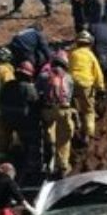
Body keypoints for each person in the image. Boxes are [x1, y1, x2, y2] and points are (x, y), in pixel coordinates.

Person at [0, 61, 45, 183]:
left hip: (7, 123)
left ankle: (7, 164)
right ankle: (33, 170)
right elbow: (36, 105)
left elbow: (0, 101)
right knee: (34, 144)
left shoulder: (7, 85)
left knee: (8, 147)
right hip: (25, 124)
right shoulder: (28, 88)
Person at [38, 50, 78, 179]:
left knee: (47, 132)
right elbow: (70, 96)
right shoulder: (69, 78)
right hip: (63, 111)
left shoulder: (43, 76)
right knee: (64, 140)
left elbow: (37, 92)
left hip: (47, 110)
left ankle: (50, 146)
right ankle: (63, 167)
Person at [69, 30, 105, 147]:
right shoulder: (91, 56)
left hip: (71, 84)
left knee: (72, 107)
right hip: (85, 85)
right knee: (88, 111)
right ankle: (87, 135)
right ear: (90, 43)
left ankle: (74, 127)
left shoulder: (72, 53)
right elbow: (98, 74)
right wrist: (101, 88)